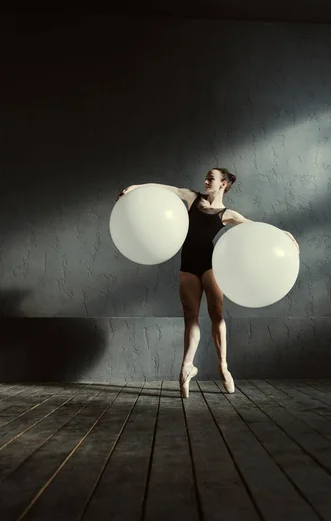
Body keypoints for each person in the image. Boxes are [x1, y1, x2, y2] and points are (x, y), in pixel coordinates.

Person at [118, 168, 299, 398]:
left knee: (217, 314)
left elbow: (256, 229)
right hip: (188, 266)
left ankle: (222, 366)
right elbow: (165, 189)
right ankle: (186, 368)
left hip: (210, 266)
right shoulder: (193, 198)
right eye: (206, 177)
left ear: (223, 184)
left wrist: (282, 233)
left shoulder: (227, 214)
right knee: (190, 318)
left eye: (211, 178)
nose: (206, 181)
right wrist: (135, 188)